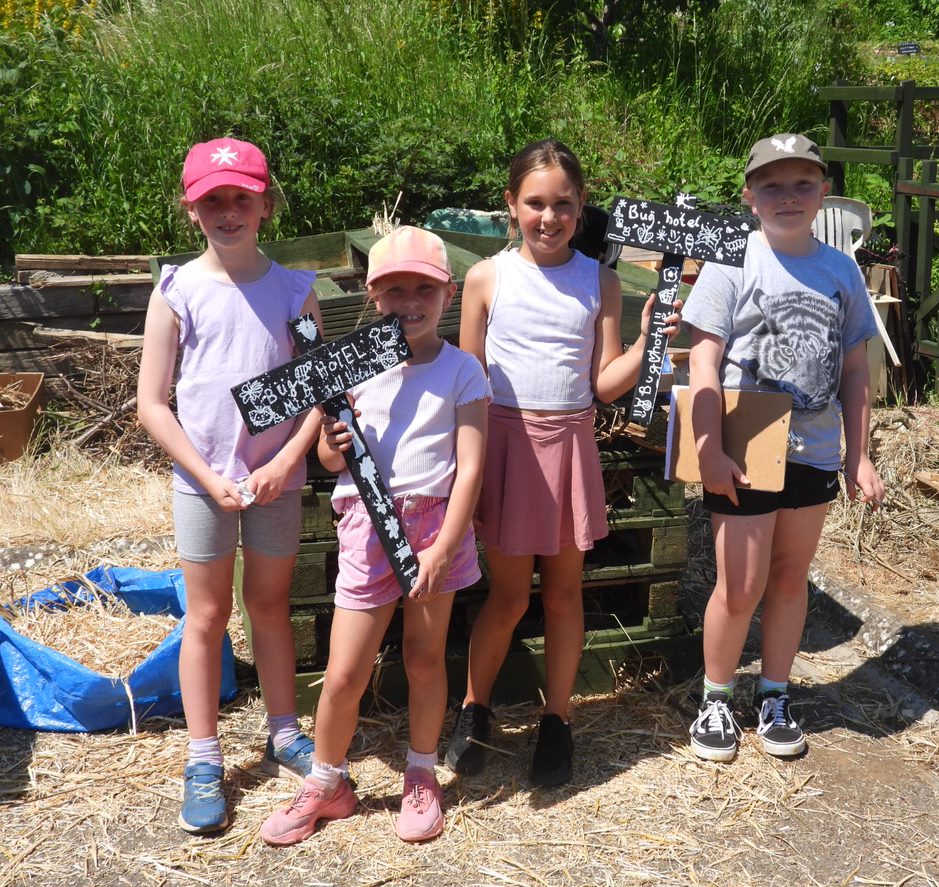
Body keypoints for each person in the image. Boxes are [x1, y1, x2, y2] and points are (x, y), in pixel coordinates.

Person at [450, 138, 680, 786]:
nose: (548, 217)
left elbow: (606, 383)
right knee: (504, 593)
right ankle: (475, 707)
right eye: (535, 203)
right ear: (510, 205)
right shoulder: (487, 278)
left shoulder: (600, 281)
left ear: (580, 208)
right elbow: (469, 379)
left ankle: (558, 719)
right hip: (505, 446)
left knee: (563, 591)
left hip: (569, 445)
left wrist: (646, 339)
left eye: (563, 204)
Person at [261, 226, 490, 845]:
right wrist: (334, 449)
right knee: (343, 672)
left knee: (423, 656)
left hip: (435, 525)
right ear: (372, 294)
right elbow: (336, 461)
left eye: (424, 288)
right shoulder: (351, 367)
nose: (408, 302)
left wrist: (444, 546)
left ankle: (421, 772)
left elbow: (470, 466)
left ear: (447, 294)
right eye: (394, 290)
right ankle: (327, 781)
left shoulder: (462, 371)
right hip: (366, 526)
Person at [137, 138, 324, 833]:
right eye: (212, 200)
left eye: (240, 198)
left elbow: (318, 391)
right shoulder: (176, 291)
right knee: (207, 616)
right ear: (192, 211)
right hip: (201, 482)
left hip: (277, 482)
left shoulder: (296, 290)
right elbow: (152, 401)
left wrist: (283, 463)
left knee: (269, 606)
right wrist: (206, 474)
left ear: (265, 205)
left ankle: (283, 730)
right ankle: (204, 754)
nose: (227, 210)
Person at [679, 133, 885, 763]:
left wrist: (859, 455)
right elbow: (704, 362)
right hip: (747, 442)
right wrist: (708, 447)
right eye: (772, 185)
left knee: (791, 578)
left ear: (823, 192)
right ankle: (716, 696)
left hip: (816, 447)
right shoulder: (730, 262)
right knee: (740, 584)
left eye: (802, 184)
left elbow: (855, 371)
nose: (788, 197)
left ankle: (774, 694)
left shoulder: (842, 270)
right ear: (749, 196)